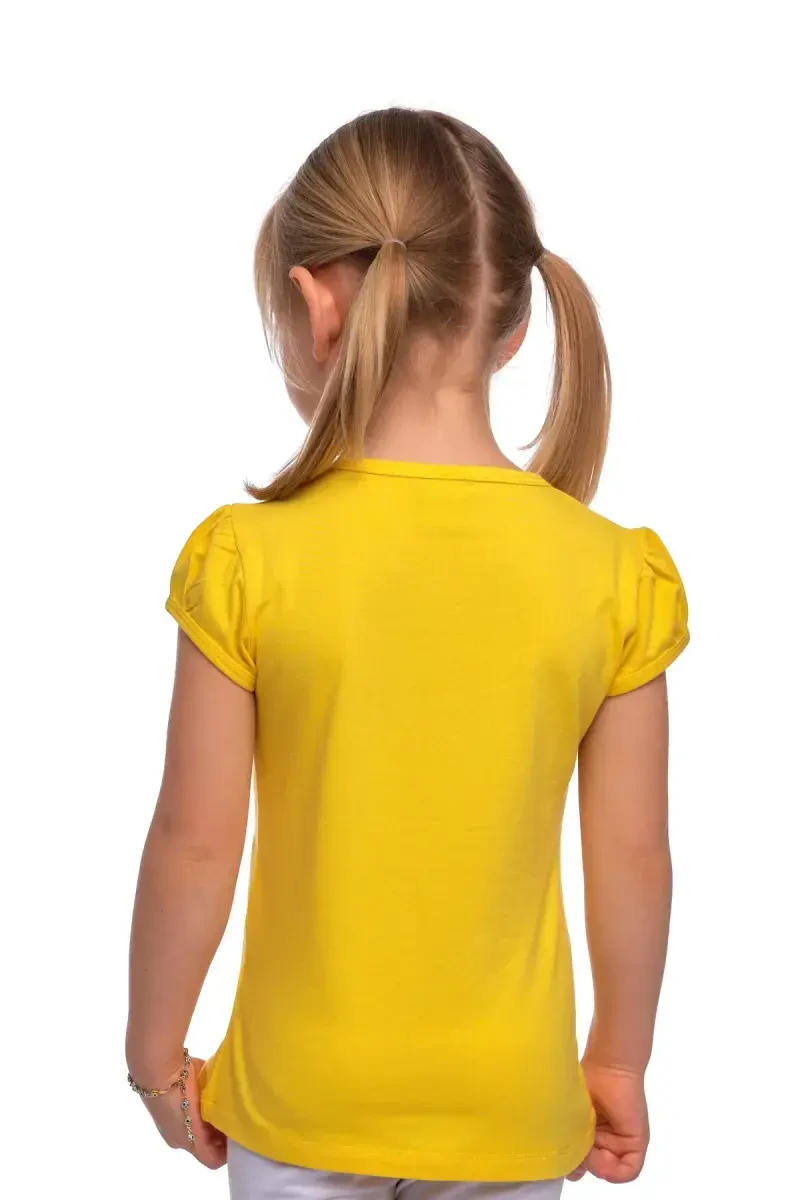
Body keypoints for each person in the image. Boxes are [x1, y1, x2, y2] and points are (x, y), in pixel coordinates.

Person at [126, 107, 689, 1199]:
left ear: (314, 307)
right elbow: (633, 859)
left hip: (300, 1101)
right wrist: (617, 1061)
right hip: (510, 1107)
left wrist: (155, 1058)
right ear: (513, 326)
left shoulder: (245, 560)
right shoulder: (614, 575)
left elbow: (193, 846)